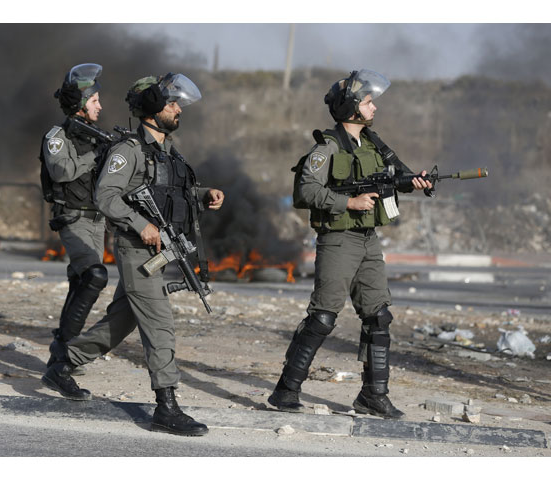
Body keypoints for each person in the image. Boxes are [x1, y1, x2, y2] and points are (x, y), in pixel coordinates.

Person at [42, 73, 224, 437]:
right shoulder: (129, 150)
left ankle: (65, 361)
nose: (177, 109)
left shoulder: (165, 150)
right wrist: (139, 224)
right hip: (135, 249)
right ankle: (166, 406)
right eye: (172, 103)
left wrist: (204, 195)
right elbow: (106, 195)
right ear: (154, 107)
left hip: (160, 250)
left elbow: (169, 191)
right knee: (159, 322)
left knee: (123, 320)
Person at [268, 69, 432, 419]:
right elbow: (305, 191)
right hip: (339, 240)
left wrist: (416, 182)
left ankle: (373, 395)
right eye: (369, 102)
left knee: (379, 317)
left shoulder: (375, 145)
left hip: (368, 239)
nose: (374, 108)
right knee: (323, 317)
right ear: (352, 108)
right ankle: (286, 390)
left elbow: (397, 176)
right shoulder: (325, 148)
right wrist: (349, 203)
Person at [39, 63, 110, 374]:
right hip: (72, 218)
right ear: (81, 103)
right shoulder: (57, 136)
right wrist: (96, 155)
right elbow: (61, 171)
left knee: (81, 281)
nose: (100, 106)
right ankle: (64, 350)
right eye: (95, 101)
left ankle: (61, 347)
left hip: (98, 221)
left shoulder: (97, 137)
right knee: (95, 276)